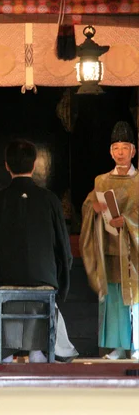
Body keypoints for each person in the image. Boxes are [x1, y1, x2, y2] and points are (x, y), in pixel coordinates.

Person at [0, 138, 77, 363]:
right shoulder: (50, 200)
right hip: (44, 276)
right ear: (33, 165)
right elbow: (63, 247)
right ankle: (37, 351)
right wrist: (60, 283)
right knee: (40, 289)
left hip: (4, 277)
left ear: (6, 165)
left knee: (3, 282)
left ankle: (5, 351)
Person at [80, 121, 138, 361]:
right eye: (116, 147)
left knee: (134, 300)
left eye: (125, 147)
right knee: (113, 299)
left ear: (134, 151)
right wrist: (94, 208)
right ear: (110, 151)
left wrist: (127, 220)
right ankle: (115, 347)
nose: (120, 152)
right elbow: (88, 206)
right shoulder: (101, 181)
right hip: (110, 250)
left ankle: (135, 345)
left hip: (134, 253)